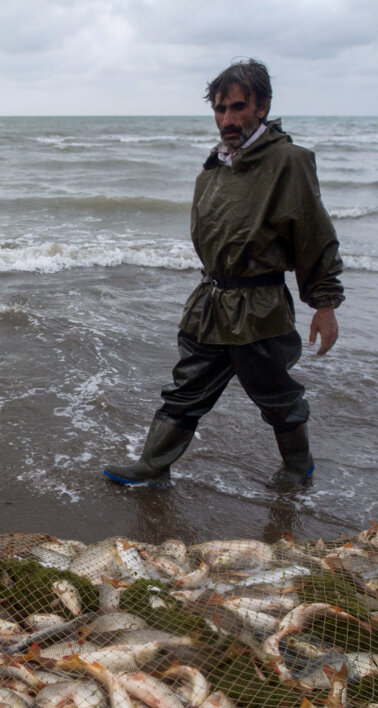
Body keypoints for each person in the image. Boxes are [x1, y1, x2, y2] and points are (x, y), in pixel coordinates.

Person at [104, 58, 344, 490]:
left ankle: (297, 466)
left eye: (238, 107)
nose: (228, 119)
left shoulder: (289, 162)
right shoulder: (213, 167)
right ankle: (154, 467)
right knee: (186, 387)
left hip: (260, 309)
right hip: (211, 303)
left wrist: (324, 305)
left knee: (275, 395)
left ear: (263, 106)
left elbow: (315, 235)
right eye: (220, 109)